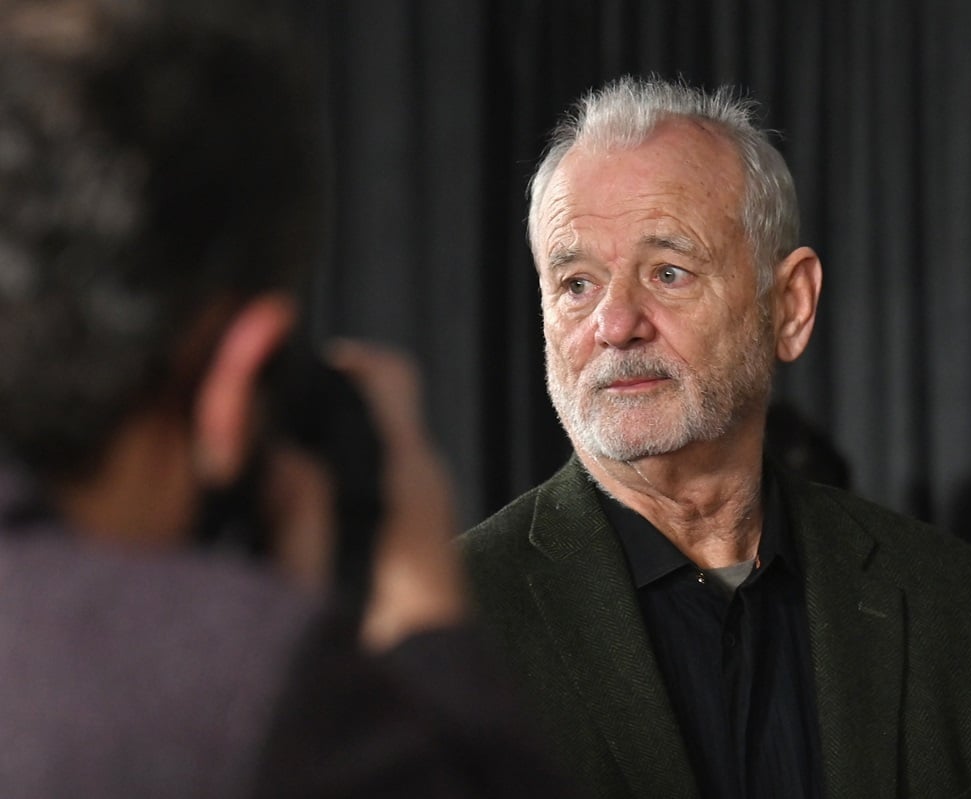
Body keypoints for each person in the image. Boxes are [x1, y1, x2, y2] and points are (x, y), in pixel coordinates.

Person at [0, 1, 568, 796]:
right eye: (574, 283)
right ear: (243, 371)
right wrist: (420, 614)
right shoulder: (246, 681)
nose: (617, 323)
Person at [461, 76, 971, 799]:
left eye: (668, 271)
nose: (615, 323)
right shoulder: (449, 628)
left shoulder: (964, 616)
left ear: (790, 305)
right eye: (576, 284)